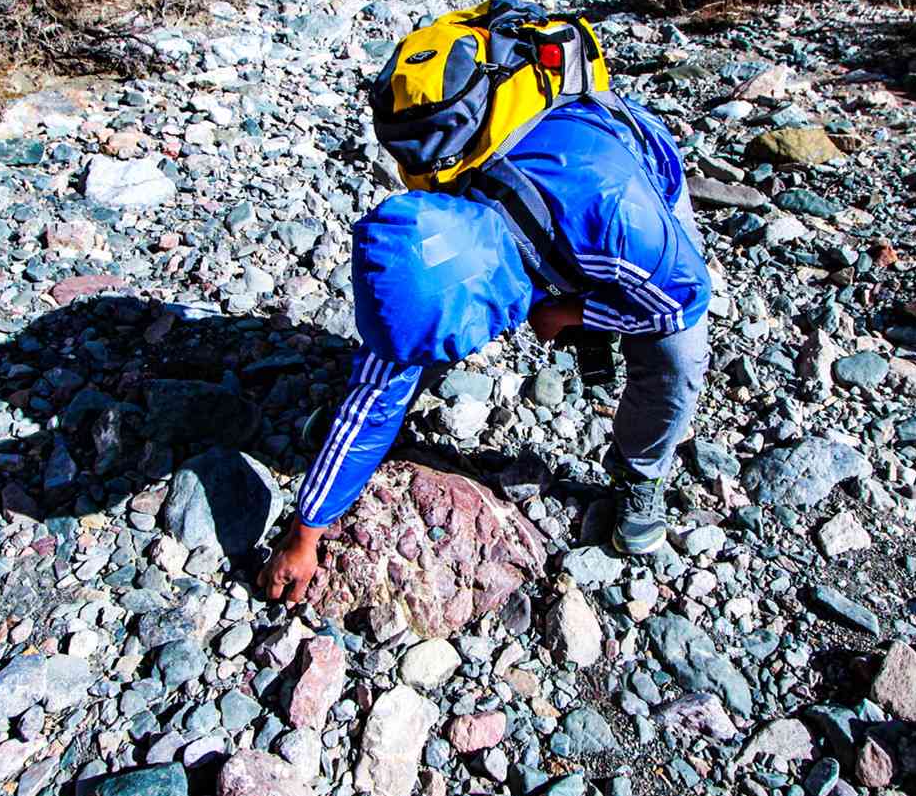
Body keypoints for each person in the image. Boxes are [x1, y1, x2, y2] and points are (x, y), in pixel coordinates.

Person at [258, 93, 711, 604]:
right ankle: (367, 436)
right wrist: (306, 531)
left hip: (632, 170)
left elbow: (684, 301)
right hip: (543, 205)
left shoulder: (629, 228)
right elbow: (383, 378)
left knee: (675, 356)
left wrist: (573, 314)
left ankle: (640, 473)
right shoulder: (441, 208)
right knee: (398, 361)